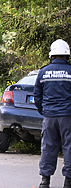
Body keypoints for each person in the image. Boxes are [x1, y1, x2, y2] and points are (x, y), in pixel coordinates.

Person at [34, 39, 71, 188]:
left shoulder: (43, 72)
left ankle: (45, 181)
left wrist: (44, 111)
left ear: (51, 55)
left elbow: (37, 95)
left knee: (48, 147)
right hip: (68, 116)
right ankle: (68, 182)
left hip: (49, 116)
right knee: (69, 147)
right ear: (67, 55)